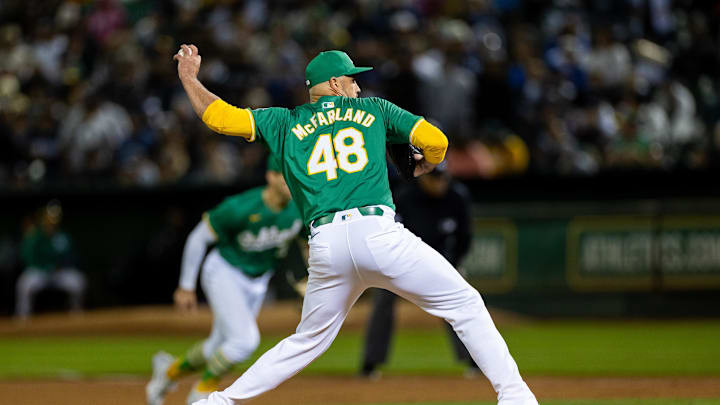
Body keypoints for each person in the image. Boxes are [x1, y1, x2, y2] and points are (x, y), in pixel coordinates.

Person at [174, 44, 538, 405]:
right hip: (378, 235)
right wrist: (426, 165)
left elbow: (219, 118)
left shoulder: (283, 121)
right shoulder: (373, 109)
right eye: (351, 79)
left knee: (306, 342)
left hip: (327, 243)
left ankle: (219, 401)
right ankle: (516, 397)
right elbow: (436, 141)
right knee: (465, 303)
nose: (357, 87)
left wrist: (190, 77)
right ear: (333, 83)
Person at [145, 157, 305, 405]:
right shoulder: (241, 206)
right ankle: (202, 392)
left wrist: (313, 277)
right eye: (284, 175)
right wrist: (186, 285)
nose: (290, 181)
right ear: (270, 177)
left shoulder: (299, 205)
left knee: (217, 347)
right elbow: (198, 238)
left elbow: (308, 243)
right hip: (224, 272)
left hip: (257, 281)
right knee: (244, 341)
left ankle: (167, 374)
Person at [360, 162, 479, 378]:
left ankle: (476, 361)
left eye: (443, 177)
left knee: (461, 301)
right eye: (435, 178)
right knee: (383, 301)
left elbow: (465, 237)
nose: (440, 182)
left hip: (440, 262)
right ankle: (370, 363)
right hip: (400, 262)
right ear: (423, 177)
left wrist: (455, 263)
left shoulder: (456, 196)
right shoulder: (404, 197)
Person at [15, 200, 86, 321]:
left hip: (59, 273)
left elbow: (70, 255)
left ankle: (76, 313)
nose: (52, 221)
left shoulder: (63, 236)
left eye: (54, 218)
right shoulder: (35, 235)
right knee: (24, 285)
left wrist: (61, 265)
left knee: (78, 282)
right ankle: (22, 317)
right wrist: (43, 265)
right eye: (49, 218)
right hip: (40, 272)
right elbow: (27, 256)